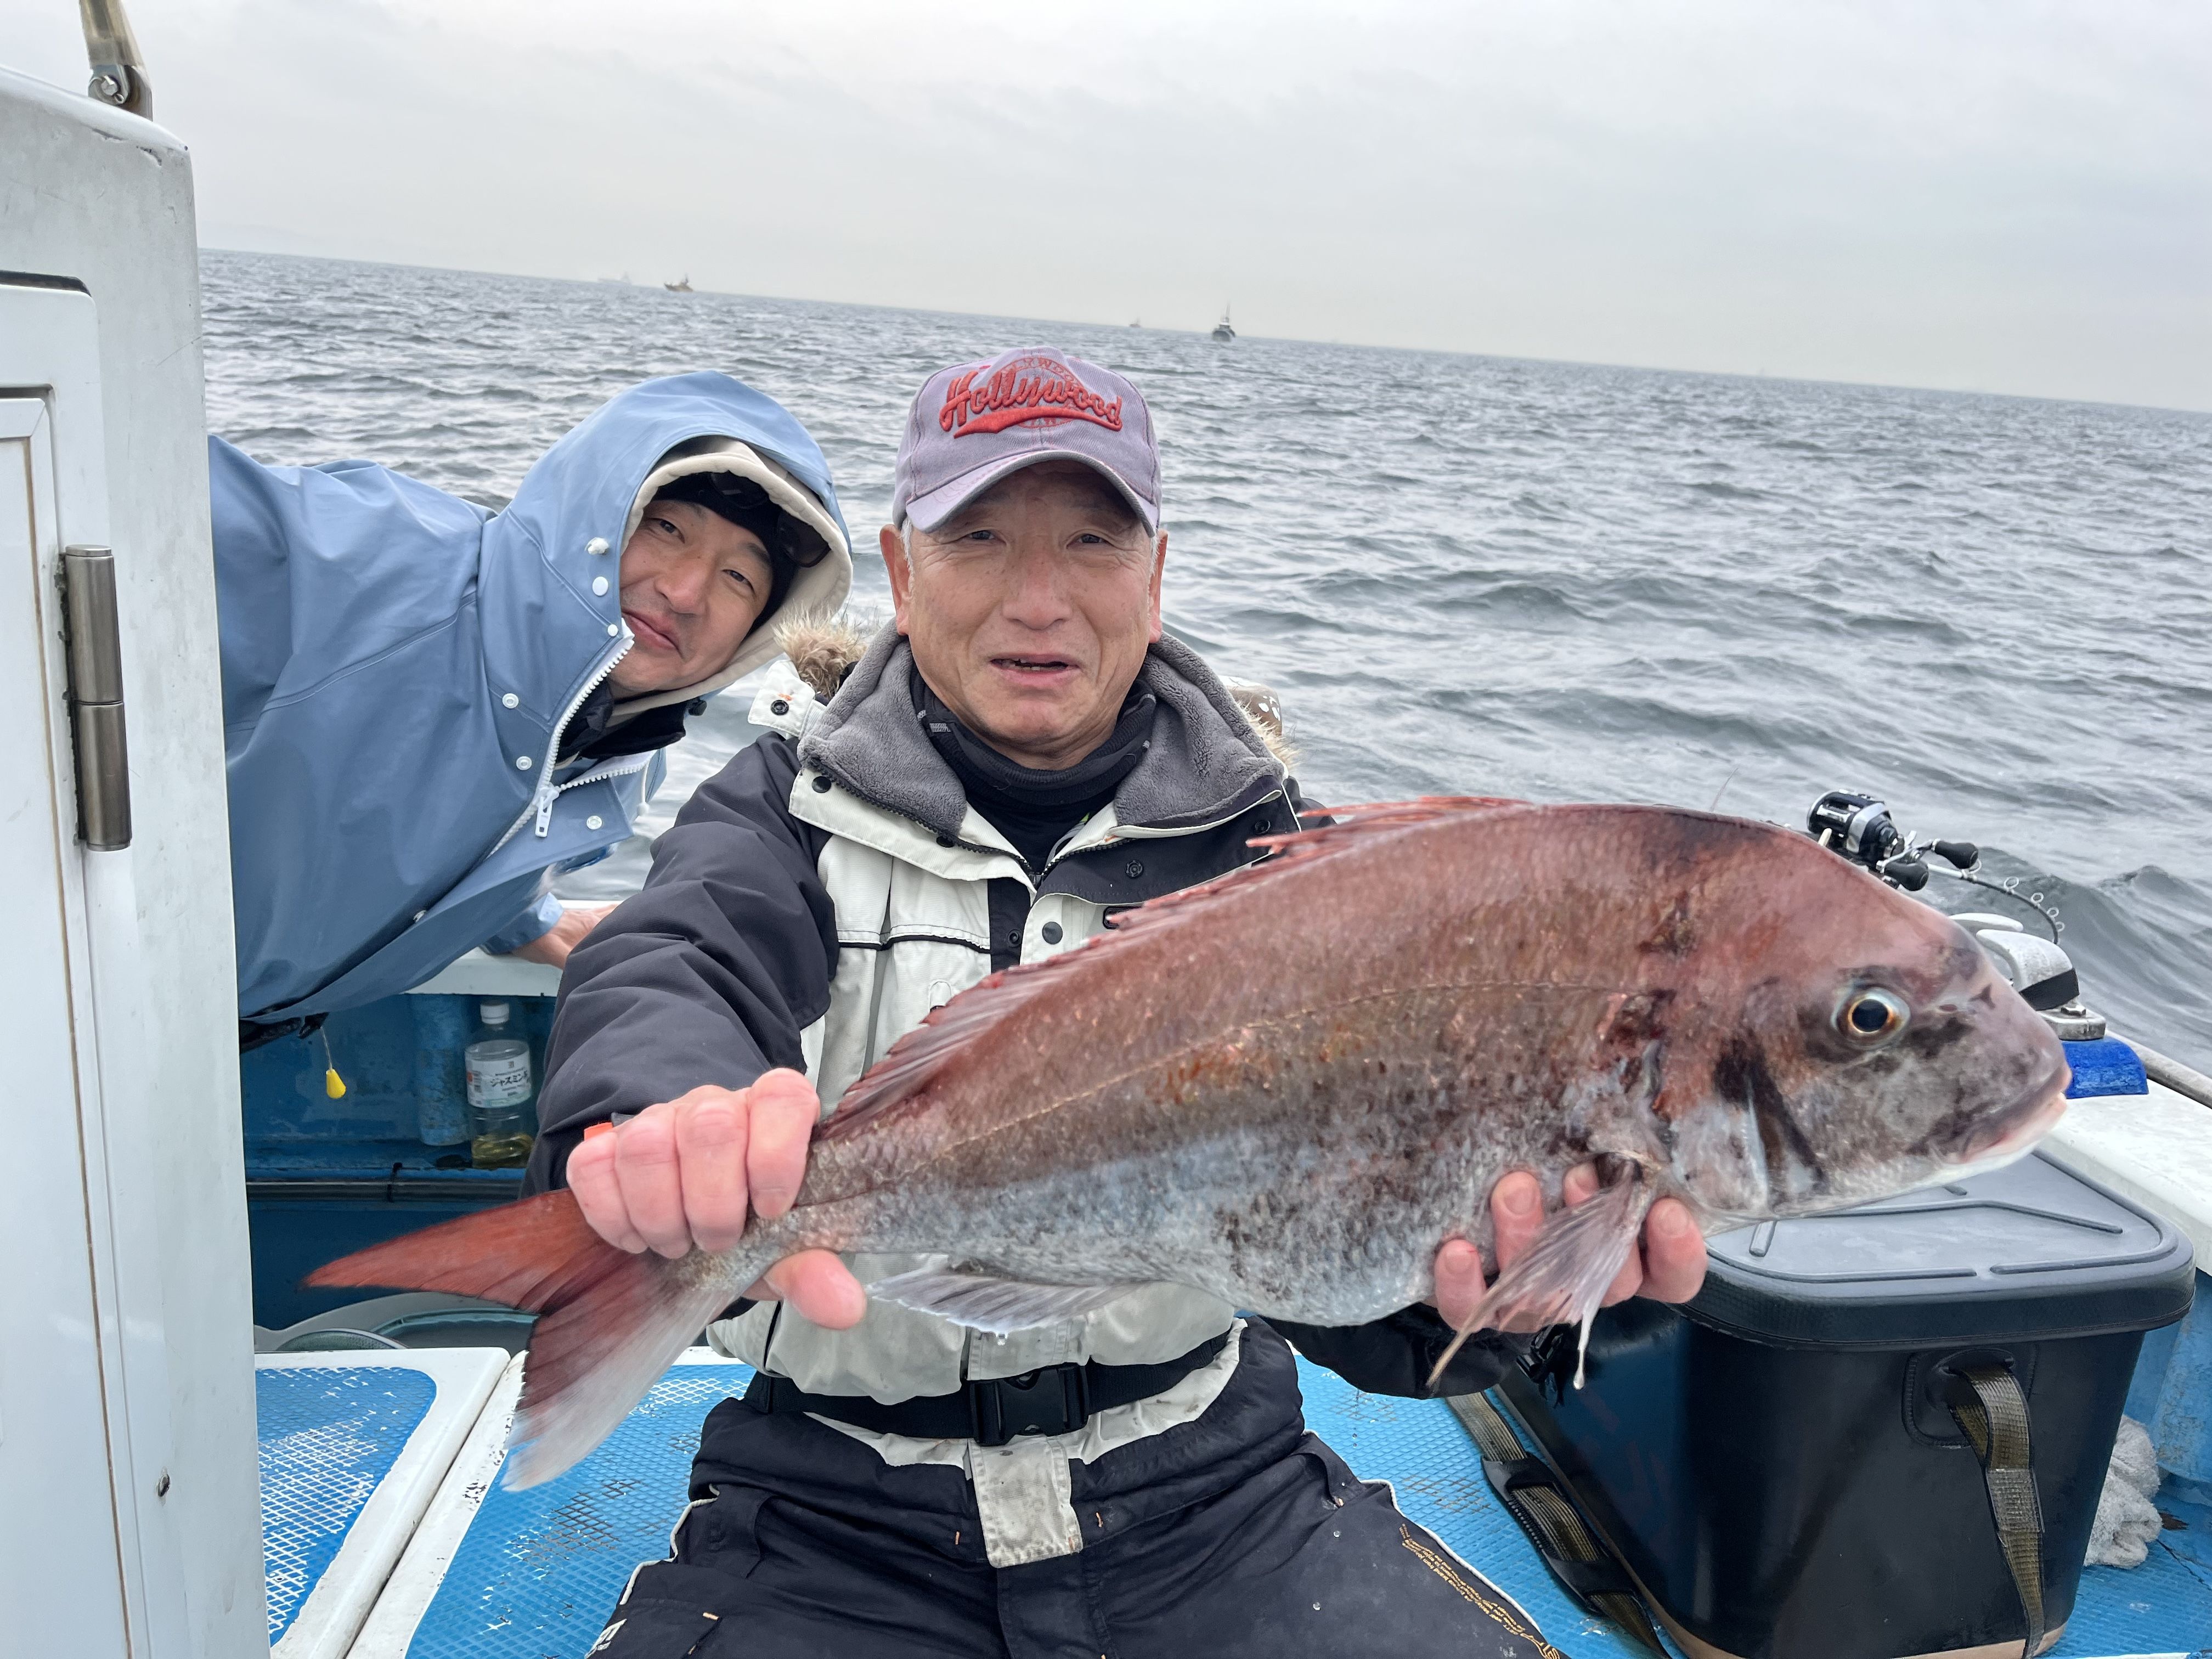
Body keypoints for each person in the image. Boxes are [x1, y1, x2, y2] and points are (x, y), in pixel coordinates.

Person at [528, 347, 1707, 1656]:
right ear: (903, 572)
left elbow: (1365, 1304)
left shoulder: (1286, 869)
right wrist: (661, 1114)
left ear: (1155, 575)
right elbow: (672, 959)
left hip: (1216, 1491)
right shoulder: (777, 810)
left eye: (1092, 541)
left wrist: (1505, 1296)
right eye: (979, 538)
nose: (1040, 599)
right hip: (831, 1513)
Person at [210, 372, 851, 1039]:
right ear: (588, 516)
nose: (686, 592)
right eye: (665, 528)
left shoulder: (624, 765)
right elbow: (161, 499)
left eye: (739, 577)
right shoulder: (363, 554)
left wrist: (524, 918)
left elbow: (493, 806)